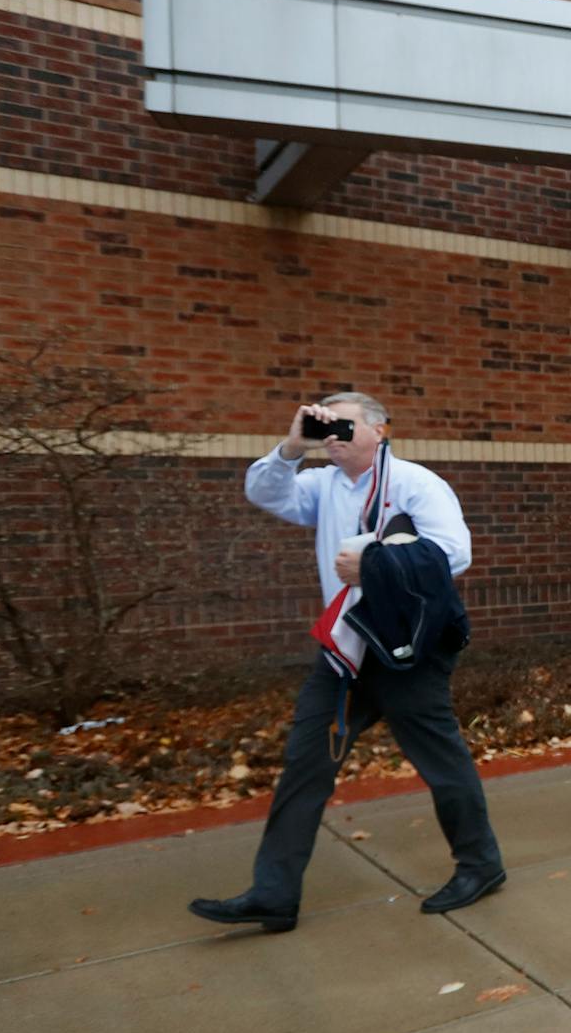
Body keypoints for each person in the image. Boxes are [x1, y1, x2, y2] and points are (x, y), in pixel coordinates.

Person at [189, 394, 505, 932]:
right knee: (305, 765)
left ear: (379, 429)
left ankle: (481, 866)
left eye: (344, 424)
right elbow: (263, 491)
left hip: (406, 651)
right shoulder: (320, 485)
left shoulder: (416, 483)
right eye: (324, 425)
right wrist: (293, 446)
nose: (332, 434)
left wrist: (374, 563)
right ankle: (274, 893)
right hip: (343, 651)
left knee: (442, 764)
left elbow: (455, 552)